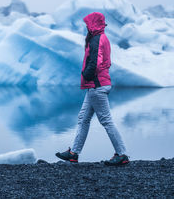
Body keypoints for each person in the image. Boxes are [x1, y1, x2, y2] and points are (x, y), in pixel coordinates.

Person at [55, 12, 129, 166]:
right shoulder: (102, 37)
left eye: (88, 24)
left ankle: (122, 154)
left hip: (97, 85)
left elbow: (96, 62)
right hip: (96, 85)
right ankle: (74, 153)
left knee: (106, 121)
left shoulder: (96, 39)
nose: (87, 27)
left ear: (94, 24)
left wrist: (86, 75)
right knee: (83, 118)